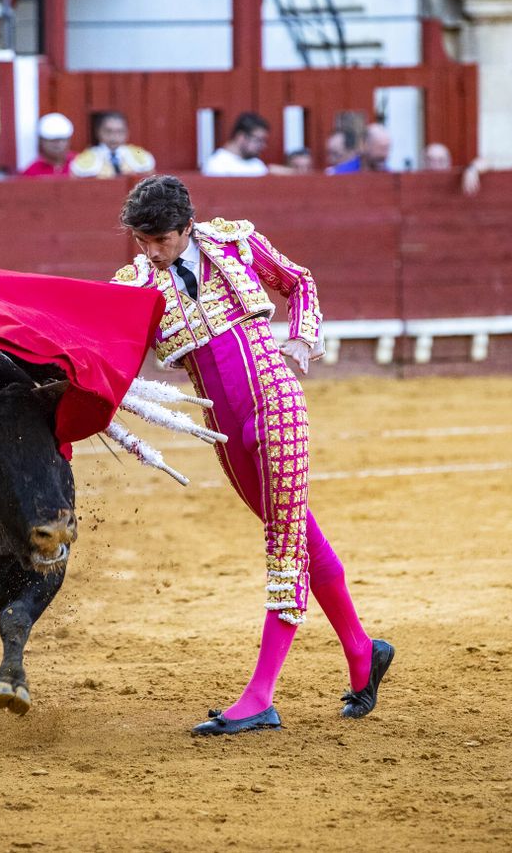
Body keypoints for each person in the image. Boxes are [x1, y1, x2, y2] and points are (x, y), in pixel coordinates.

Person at [110, 175, 392, 735]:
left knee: (283, 542)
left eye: (159, 239)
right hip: (221, 423)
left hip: (274, 401)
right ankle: (363, 652)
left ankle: (261, 695)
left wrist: (302, 338)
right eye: (141, 239)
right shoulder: (136, 281)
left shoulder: (235, 243)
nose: (149, 249)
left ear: (185, 227)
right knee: (297, 531)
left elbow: (299, 281)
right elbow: (111, 343)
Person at [70, 111, 156, 178]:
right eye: (108, 131)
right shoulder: (86, 158)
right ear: (98, 132)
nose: (114, 137)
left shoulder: (141, 155)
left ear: (127, 133)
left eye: (119, 131)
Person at [203, 112, 271, 177]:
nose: (263, 146)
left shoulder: (257, 164)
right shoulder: (217, 164)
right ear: (241, 137)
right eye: (258, 140)